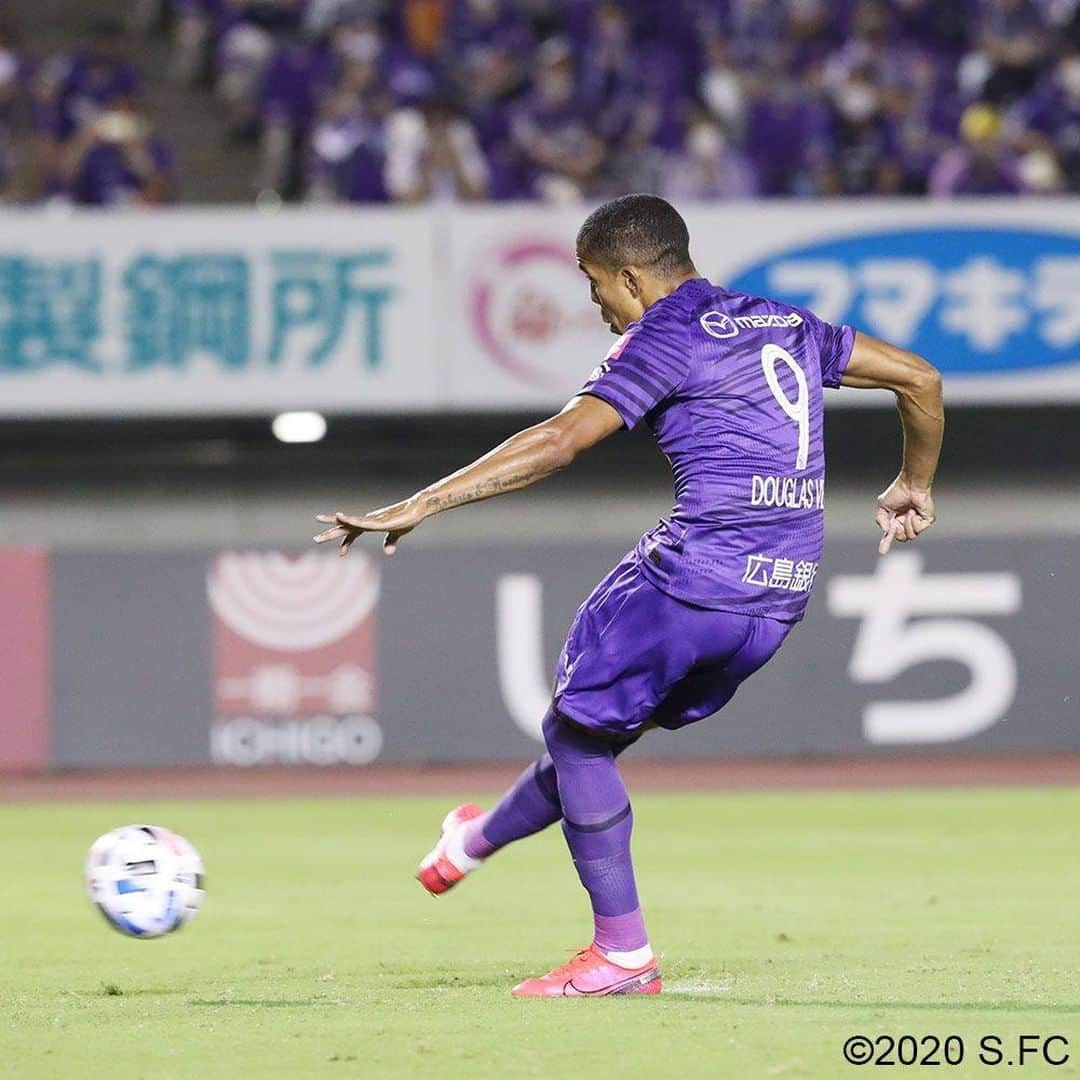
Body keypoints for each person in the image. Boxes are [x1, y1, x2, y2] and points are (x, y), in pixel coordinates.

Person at [314, 194, 944, 997]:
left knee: (576, 736)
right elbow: (919, 378)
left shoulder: (665, 335)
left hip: (697, 581)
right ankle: (470, 843)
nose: (597, 306)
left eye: (593, 286)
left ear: (631, 276)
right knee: (591, 740)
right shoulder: (784, 322)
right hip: (778, 598)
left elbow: (557, 441)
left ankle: (621, 954)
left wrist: (422, 503)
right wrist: (912, 484)